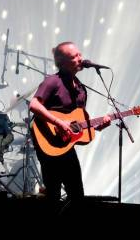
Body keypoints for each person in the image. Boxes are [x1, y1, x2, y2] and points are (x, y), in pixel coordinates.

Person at [29, 41, 111, 204]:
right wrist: (58, 123)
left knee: (77, 196)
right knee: (53, 195)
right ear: (63, 63)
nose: (80, 58)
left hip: (66, 147)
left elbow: (78, 122)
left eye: (80, 54)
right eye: (75, 56)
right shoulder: (53, 81)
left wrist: (98, 126)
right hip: (48, 141)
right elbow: (34, 105)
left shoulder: (81, 89)